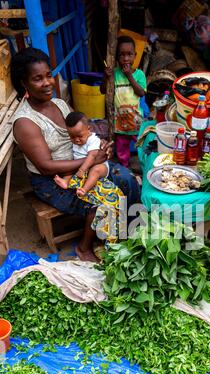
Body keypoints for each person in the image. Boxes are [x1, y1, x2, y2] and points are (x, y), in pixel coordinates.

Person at [11, 47, 141, 262]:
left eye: (48, 75)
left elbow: (82, 131)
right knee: (101, 202)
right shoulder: (25, 122)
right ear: (24, 83)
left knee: (127, 178)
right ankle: (84, 247)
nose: (47, 83)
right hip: (52, 180)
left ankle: (129, 233)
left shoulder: (60, 104)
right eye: (37, 79)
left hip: (81, 165)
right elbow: (45, 166)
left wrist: (98, 146)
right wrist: (90, 159)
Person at [101, 35, 147, 168]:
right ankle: (124, 168)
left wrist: (129, 76)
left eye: (129, 54)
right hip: (120, 119)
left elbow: (141, 92)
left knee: (141, 144)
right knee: (122, 147)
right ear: (116, 57)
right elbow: (103, 90)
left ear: (135, 55)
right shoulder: (113, 74)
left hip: (136, 118)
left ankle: (143, 166)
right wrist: (106, 77)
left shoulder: (139, 74)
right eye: (122, 55)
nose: (126, 58)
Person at [54, 111, 114, 198]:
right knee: (70, 169)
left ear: (89, 129)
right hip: (82, 166)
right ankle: (65, 181)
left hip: (100, 166)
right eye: (72, 137)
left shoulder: (93, 140)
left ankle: (84, 189)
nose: (76, 140)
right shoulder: (76, 140)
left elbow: (92, 156)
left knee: (95, 171)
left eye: (80, 136)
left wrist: (82, 170)